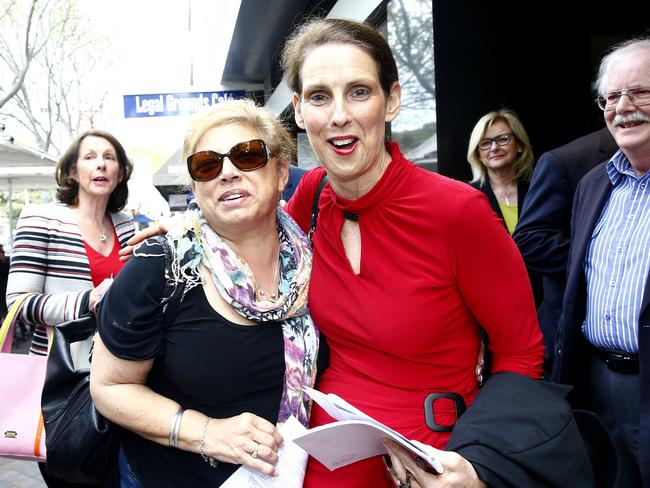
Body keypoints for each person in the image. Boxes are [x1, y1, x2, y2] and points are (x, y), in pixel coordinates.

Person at [281, 18, 553, 488]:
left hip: (435, 463)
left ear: (393, 100)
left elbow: (521, 353)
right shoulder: (311, 195)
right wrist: (187, 233)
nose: (339, 115)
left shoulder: (458, 212)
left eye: (359, 92)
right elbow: (246, 247)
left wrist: (478, 466)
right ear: (300, 111)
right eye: (320, 96)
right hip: (326, 457)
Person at [89, 99, 321, 487]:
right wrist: (209, 432)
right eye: (207, 165)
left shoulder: (314, 255)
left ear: (282, 171)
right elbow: (110, 387)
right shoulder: (161, 265)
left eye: (247, 155)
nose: (227, 172)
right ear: (196, 186)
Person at [5, 129, 135, 487]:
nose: (101, 165)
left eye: (110, 158)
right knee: (72, 475)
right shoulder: (40, 218)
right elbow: (18, 304)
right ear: (73, 171)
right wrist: (87, 300)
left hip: (122, 375)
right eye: (90, 157)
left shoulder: (126, 225)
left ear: (121, 173)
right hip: (64, 383)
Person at [552, 37, 650, 488]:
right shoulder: (594, 183)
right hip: (597, 385)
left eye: (640, 92)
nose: (622, 107)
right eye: (611, 97)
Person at [513, 127, 618, 374]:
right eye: (613, 97)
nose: (625, 105)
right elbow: (529, 239)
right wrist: (601, 259)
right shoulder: (567, 160)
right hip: (580, 346)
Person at [467, 108, 534, 235]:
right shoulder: (471, 197)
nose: (494, 148)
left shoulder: (536, 191)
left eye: (503, 139)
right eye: (485, 143)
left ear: (519, 144)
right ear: (478, 155)